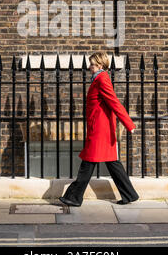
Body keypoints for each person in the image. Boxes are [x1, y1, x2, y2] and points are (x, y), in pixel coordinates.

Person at [59, 51, 139, 207]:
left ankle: (74, 197)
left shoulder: (102, 79)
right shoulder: (98, 78)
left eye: (93, 64)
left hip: (99, 130)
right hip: (99, 127)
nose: (90, 67)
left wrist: (128, 123)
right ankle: (129, 194)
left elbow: (114, 102)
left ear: (101, 65)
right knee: (112, 163)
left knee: (88, 162)